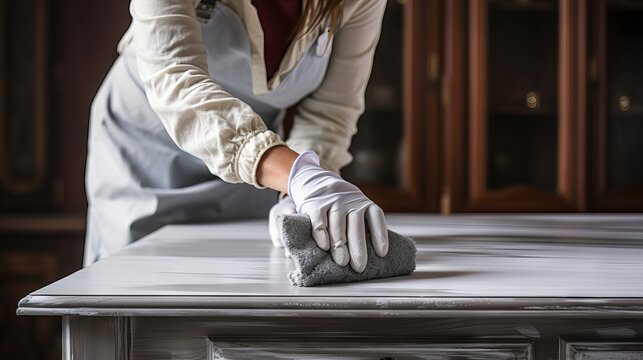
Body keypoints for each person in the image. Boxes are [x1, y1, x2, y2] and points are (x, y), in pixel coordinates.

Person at [84, 0, 389, 273]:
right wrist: (295, 172)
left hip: (255, 175)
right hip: (143, 161)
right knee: (134, 295)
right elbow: (175, 80)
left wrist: (296, 190)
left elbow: (329, 111)